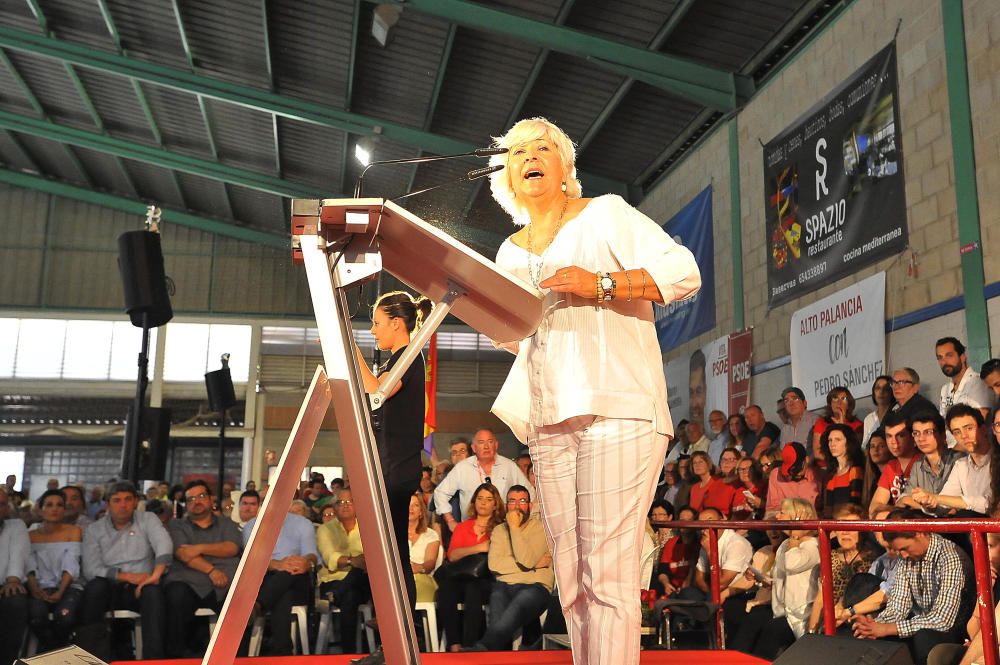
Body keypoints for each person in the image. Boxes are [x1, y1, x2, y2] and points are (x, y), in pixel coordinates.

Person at [488, 117, 700, 665]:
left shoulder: (604, 213)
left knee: (607, 570)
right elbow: (521, 342)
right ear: (506, 175)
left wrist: (601, 284)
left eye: (541, 149)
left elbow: (683, 272)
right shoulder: (508, 252)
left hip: (619, 409)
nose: (528, 158)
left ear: (564, 167)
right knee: (572, 579)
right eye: (516, 153)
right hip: (549, 419)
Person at [350, 290, 433, 664]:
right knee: (391, 556)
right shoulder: (404, 357)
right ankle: (396, 642)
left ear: (397, 324)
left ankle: (400, 644)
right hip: (391, 466)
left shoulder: (409, 356)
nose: (373, 330)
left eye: (378, 323)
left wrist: (346, 348)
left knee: (394, 557)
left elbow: (376, 390)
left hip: (397, 468)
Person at [852, 508, 975, 665]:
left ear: (919, 533)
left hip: (956, 632)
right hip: (921, 625)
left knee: (923, 636)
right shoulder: (907, 558)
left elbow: (944, 620)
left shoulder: (950, 557)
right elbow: (898, 606)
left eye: (904, 548)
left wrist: (888, 628)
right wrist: (873, 626)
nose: (902, 556)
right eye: (899, 551)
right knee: (871, 637)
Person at [78, 481, 172, 660]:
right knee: (94, 588)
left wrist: (156, 575)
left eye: (128, 499)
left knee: (154, 593)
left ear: (136, 501)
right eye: (117, 500)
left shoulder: (148, 519)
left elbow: (164, 545)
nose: (123, 505)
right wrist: (127, 576)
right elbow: (91, 569)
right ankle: (90, 659)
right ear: (108, 504)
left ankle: (154, 661)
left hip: (143, 586)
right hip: (109, 587)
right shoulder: (94, 529)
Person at [466, 485, 553, 651]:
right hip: (505, 585)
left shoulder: (542, 529)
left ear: (530, 505)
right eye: (512, 501)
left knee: (523, 599)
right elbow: (495, 565)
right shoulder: (499, 530)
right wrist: (533, 565)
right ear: (506, 506)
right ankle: (500, 652)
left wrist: (514, 528)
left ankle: (485, 646)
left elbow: (526, 560)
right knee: (498, 595)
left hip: (536, 587)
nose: (518, 506)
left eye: (522, 501)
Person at [162, 480, 242, 658]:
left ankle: (234, 658)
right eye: (190, 499)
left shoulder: (227, 524)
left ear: (211, 499)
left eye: (200, 496)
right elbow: (182, 554)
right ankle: (176, 658)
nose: (196, 501)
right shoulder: (177, 526)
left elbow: (232, 548)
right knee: (175, 595)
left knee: (239, 602)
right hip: (188, 580)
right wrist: (211, 570)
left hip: (224, 582)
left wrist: (198, 548)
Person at [240, 498, 319, 657]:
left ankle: (257, 606)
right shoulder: (251, 526)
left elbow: (312, 555)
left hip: (298, 577)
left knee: (289, 573)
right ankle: (282, 654)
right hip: (265, 578)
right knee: (283, 592)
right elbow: (251, 561)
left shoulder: (302, 523)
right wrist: (275, 564)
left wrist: (306, 562)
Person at [437, 483, 504, 651]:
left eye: (489, 500)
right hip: (460, 577)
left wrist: (465, 552)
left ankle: (468, 647)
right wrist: (480, 548)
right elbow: (453, 556)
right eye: (480, 498)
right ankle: (454, 644)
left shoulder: (500, 528)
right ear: (474, 502)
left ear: (495, 504)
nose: (483, 503)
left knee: (473, 588)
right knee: (445, 589)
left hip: (487, 579)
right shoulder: (463, 527)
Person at [752, 498, 821, 660]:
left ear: (796, 516)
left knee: (767, 638)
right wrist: (762, 580)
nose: (777, 516)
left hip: (801, 616)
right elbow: (781, 576)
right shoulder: (786, 544)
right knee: (754, 622)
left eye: (782, 512)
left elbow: (791, 563)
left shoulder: (813, 545)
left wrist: (796, 535)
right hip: (782, 613)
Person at [433, 428, 532, 533]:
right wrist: (450, 521)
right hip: (471, 531)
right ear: (474, 448)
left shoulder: (509, 466)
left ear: (496, 445)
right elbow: (440, 493)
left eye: (490, 442)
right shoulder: (462, 467)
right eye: (481, 442)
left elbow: (530, 494)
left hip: (504, 530)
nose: (486, 446)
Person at [26, 489, 84, 652]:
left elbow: (71, 563)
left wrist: (60, 591)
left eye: (59, 505)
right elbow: (29, 566)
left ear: (64, 510)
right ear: (40, 509)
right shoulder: (30, 535)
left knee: (65, 617)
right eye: (49, 505)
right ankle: (56, 654)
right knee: (36, 618)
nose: (55, 509)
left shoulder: (74, 531)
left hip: (69, 586)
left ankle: (53, 654)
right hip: (38, 587)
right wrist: (35, 589)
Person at [911, 404, 994, 516]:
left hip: (992, 526)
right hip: (970, 527)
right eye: (957, 432)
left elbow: (988, 503)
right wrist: (929, 503)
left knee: (965, 515)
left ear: (983, 429)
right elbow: (944, 504)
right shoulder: (961, 465)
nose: (964, 436)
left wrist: (937, 498)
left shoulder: (996, 459)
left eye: (969, 428)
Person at [806, 503, 876, 633]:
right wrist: (811, 632)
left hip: (858, 622)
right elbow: (821, 598)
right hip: (830, 622)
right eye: (840, 526)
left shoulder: (874, 559)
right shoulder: (830, 557)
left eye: (851, 527)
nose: (845, 532)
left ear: (863, 531)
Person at [317, 489, 370, 655]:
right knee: (350, 596)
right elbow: (329, 557)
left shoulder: (368, 527)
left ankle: (334, 594)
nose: (345, 506)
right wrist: (352, 560)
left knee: (358, 575)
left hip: (363, 582)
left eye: (349, 502)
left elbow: (369, 557)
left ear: (357, 505)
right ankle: (350, 654)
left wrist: (356, 562)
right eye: (341, 503)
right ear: (335, 506)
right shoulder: (325, 530)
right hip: (332, 580)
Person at [897, 410, 964, 516]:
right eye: (916, 433)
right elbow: (903, 499)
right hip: (929, 522)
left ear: (943, 436)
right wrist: (929, 507)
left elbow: (962, 503)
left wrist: (932, 502)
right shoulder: (917, 465)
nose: (921, 439)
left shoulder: (959, 460)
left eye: (928, 432)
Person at [868, 411, 921, 517]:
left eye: (900, 435)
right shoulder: (891, 466)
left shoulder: (922, 461)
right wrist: (897, 509)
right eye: (889, 436)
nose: (894, 442)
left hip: (921, 524)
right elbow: (873, 508)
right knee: (880, 516)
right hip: (898, 523)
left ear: (912, 436)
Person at [0, 486, 30, 665]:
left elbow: (18, 553)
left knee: (15, 601)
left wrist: (13, 579)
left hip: (7, 583)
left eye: (1, 504)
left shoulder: (16, 526)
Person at [936, 337, 992, 420]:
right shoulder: (945, 389)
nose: (944, 362)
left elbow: (979, 420)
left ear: (962, 357)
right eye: (940, 357)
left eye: (949, 355)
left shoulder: (978, 382)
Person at [764, 442, 821, 514]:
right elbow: (771, 510)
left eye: (798, 468)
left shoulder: (818, 476)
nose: (796, 473)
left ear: (807, 460)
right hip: (785, 523)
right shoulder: (776, 475)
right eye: (791, 470)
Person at [820, 424, 865, 513]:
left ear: (848, 442)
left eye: (838, 440)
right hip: (829, 523)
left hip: (848, 523)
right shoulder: (829, 473)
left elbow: (855, 507)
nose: (832, 444)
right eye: (830, 440)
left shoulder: (856, 471)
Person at [407, 492, 442, 603]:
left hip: (423, 577)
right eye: (408, 505)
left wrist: (419, 567)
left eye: (415, 505)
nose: (411, 509)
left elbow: (430, 562)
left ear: (421, 511)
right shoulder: (392, 534)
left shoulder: (430, 535)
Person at [812, 387, 864, 456]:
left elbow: (855, 452)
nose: (839, 402)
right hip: (826, 465)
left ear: (849, 404)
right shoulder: (821, 423)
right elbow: (817, 452)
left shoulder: (857, 425)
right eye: (835, 398)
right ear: (830, 404)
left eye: (843, 399)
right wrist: (834, 462)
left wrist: (842, 427)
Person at [688, 451, 736, 516]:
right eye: (694, 463)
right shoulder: (694, 488)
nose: (697, 465)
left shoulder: (718, 481)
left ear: (708, 463)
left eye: (700, 462)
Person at [779, 387, 819, 452]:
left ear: (804, 403)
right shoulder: (785, 429)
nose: (791, 404)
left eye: (795, 399)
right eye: (786, 401)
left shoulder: (815, 421)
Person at [863, 376, 897, 447]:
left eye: (886, 389)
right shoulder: (868, 419)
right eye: (878, 388)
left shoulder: (897, 411)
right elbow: (864, 446)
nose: (881, 392)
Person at [862, 429, 891, 510]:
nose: (876, 450)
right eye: (872, 446)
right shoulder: (873, 478)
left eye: (881, 446)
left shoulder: (895, 476)